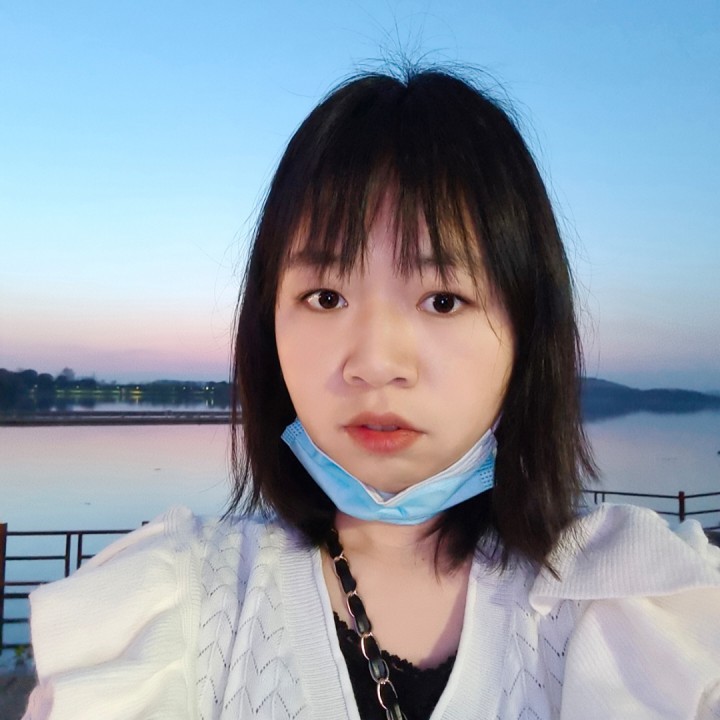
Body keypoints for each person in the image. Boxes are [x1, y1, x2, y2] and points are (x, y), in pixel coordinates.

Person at [23, 67, 720, 720]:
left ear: (527, 332)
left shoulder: (636, 606)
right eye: (325, 297)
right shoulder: (182, 612)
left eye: (443, 300)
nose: (376, 364)